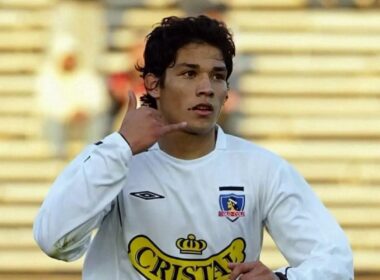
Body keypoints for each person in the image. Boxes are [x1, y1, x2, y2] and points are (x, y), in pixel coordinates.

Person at [33, 15, 353, 279]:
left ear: (227, 90)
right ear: (154, 84)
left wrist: (282, 279)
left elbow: (335, 261)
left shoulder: (262, 169)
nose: (206, 89)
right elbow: (54, 241)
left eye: (217, 76)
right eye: (189, 73)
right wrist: (121, 147)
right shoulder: (112, 157)